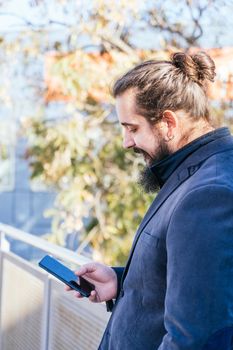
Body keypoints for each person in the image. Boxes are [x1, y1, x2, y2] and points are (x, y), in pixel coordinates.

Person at [66, 51, 233, 349]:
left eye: (133, 128)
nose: (126, 142)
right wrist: (121, 281)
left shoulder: (208, 193)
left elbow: (195, 339)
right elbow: (194, 279)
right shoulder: (195, 171)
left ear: (168, 123)